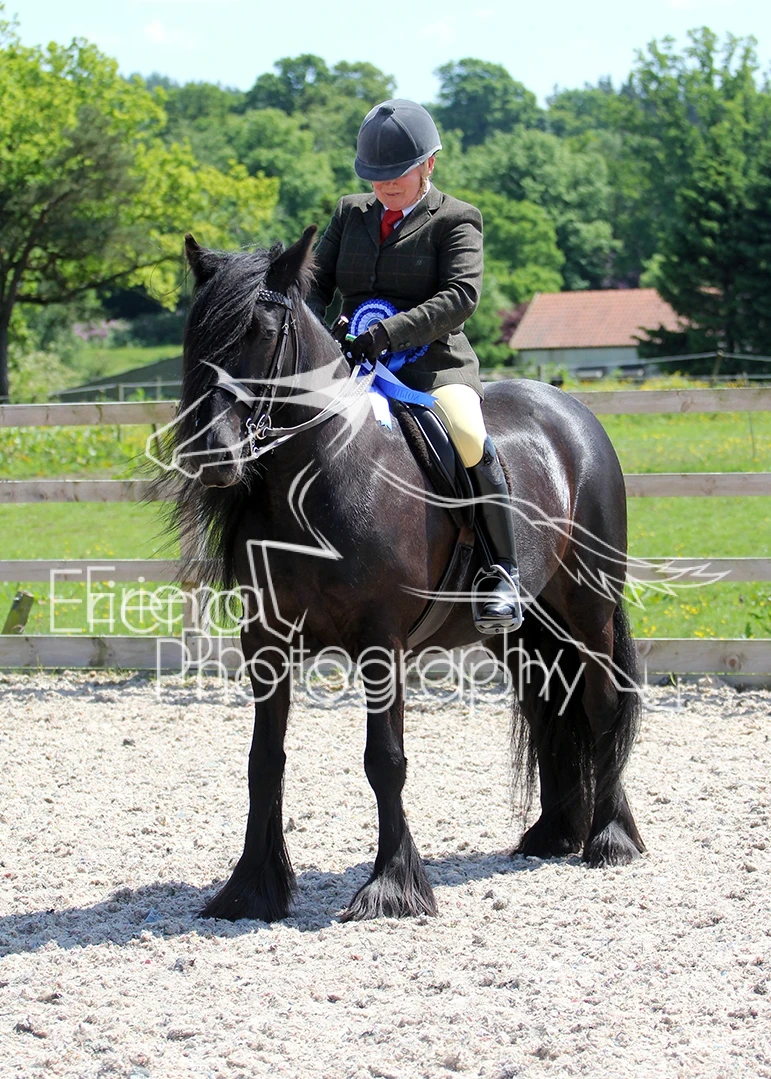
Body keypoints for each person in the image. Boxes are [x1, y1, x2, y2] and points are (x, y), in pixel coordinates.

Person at [307, 98, 522, 634]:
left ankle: (500, 571)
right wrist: (311, 332)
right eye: (375, 175)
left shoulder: (455, 219)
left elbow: (460, 296)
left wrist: (388, 333)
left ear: (429, 163)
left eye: (398, 173)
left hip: (433, 366)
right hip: (350, 363)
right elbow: (314, 284)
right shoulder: (349, 214)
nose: (385, 185)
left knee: (468, 435)